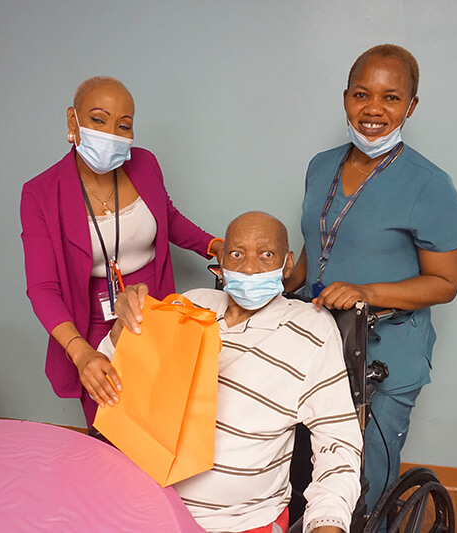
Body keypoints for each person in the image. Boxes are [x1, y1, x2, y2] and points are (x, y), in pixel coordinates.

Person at [97, 212, 362, 533]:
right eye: (236, 254)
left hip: (238, 521)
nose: (249, 268)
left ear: (287, 265)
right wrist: (124, 327)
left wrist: (328, 520)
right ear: (221, 262)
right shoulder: (192, 304)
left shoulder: (311, 329)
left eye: (266, 255)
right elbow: (113, 378)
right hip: (147, 504)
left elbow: (338, 442)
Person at [284, 44, 457, 512]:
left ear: (411, 106)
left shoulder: (429, 184)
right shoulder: (321, 165)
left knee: (366, 473)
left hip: (386, 351)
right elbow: (319, 240)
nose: (373, 109)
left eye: (390, 97)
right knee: (306, 462)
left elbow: (445, 282)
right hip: (319, 340)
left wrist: (366, 292)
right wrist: (280, 282)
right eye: (362, 94)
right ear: (346, 97)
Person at [20, 76, 222, 425]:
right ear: (72, 120)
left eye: (123, 125)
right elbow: (43, 288)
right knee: (111, 429)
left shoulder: (146, 164)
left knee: (166, 422)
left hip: (155, 312)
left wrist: (216, 246)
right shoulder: (40, 193)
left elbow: (168, 218)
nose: (111, 133)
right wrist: (81, 353)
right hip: (90, 328)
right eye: (98, 120)